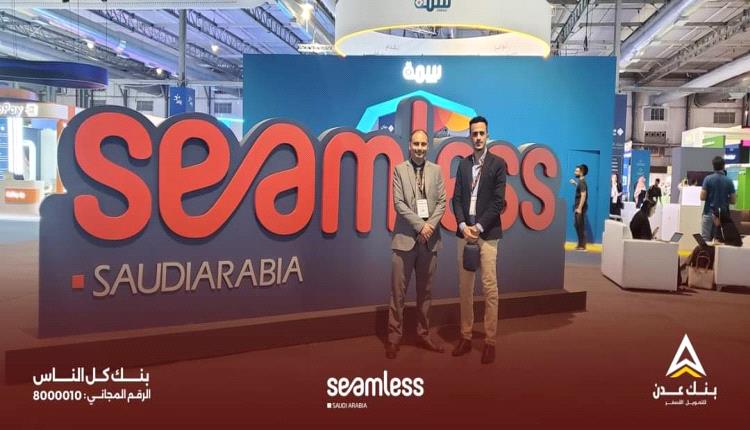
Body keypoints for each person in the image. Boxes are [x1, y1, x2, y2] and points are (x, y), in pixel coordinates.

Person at [386, 129, 447, 359]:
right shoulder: (399, 170)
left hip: (429, 242)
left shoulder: (436, 171)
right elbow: (399, 203)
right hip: (404, 240)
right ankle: (394, 338)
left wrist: (428, 227)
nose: (420, 148)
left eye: (423, 144)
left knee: (426, 294)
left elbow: (442, 202)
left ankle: (423, 334)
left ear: (427, 146)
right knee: (397, 293)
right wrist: (421, 226)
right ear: (409, 145)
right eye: (416, 144)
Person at [451, 116, 507, 364]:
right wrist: (463, 225)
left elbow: (498, 202)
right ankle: (465, 336)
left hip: (488, 234)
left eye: (481, 133)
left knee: (489, 288)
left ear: (487, 135)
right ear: (469, 136)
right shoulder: (463, 165)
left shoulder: (498, 164)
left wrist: (479, 226)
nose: (478, 138)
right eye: (474, 134)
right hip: (465, 234)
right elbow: (456, 199)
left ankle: (490, 341)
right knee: (465, 289)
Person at [700, 156, 737, 241]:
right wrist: (724, 199)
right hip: (723, 214)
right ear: (723, 166)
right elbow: (733, 200)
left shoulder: (708, 179)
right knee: (720, 240)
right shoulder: (729, 181)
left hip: (709, 212)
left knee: (705, 239)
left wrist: (711, 196)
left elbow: (702, 197)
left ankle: (706, 250)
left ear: (713, 166)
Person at [569, 164, 588, 250]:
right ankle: (580, 244)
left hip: (580, 207)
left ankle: (582, 245)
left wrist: (580, 208)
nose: (575, 172)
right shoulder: (580, 182)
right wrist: (575, 184)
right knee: (577, 225)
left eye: (576, 171)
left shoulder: (582, 182)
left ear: (581, 172)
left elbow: (583, 195)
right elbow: (580, 189)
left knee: (580, 226)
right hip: (578, 207)